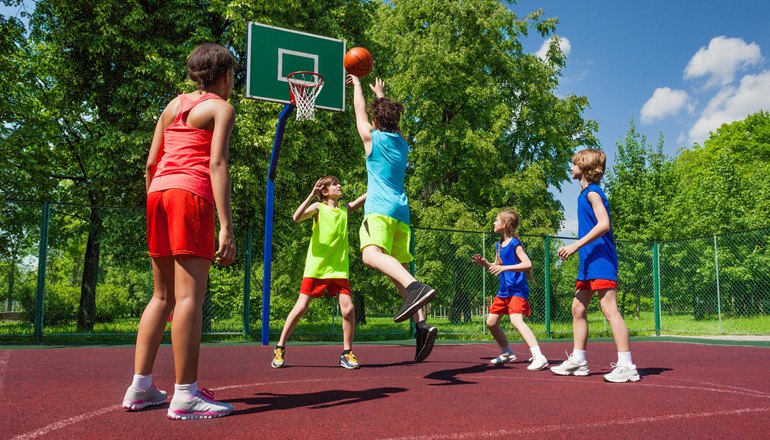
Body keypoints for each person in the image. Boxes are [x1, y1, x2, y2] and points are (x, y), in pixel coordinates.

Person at [122, 43, 238, 419]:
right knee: (190, 297)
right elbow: (217, 164)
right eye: (233, 75)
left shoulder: (172, 106)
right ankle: (185, 394)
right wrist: (226, 226)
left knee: (161, 297)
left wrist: (157, 200)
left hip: (158, 194)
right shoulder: (221, 108)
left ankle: (140, 387)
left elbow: (152, 162)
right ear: (224, 76)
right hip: (190, 194)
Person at [349, 74, 437, 362]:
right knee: (399, 270)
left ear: (376, 121)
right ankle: (422, 326)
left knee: (370, 255)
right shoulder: (402, 143)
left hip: (379, 210)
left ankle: (416, 288)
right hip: (401, 213)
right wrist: (382, 96)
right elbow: (375, 114)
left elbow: (359, 111)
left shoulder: (372, 140)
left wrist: (359, 86)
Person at [549, 148, 640, 383]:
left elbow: (604, 225)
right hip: (589, 262)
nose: (571, 168)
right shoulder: (583, 194)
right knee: (578, 309)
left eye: (574, 164)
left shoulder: (593, 193)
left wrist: (574, 246)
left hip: (602, 259)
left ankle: (627, 365)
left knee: (610, 310)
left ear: (586, 168)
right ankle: (579, 361)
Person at [271, 176, 366, 369]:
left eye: (340, 183)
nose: (340, 186)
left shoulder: (344, 211)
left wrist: (380, 179)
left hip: (339, 270)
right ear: (325, 192)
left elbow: (363, 198)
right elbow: (296, 218)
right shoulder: (318, 208)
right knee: (301, 308)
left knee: (348, 309)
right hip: (317, 268)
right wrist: (310, 196)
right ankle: (280, 347)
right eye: (335, 184)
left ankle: (347, 353)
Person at [472, 210, 549, 371]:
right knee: (491, 322)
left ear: (505, 224)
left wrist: (506, 268)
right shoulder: (499, 245)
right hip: (504, 291)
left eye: (496, 220)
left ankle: (539, 357)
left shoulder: (515, 244)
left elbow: (528, 264)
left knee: (516, 321)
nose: (493, 223)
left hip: (517, 291)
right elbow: (497, 266)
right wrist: (485, 264)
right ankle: (507, 352)